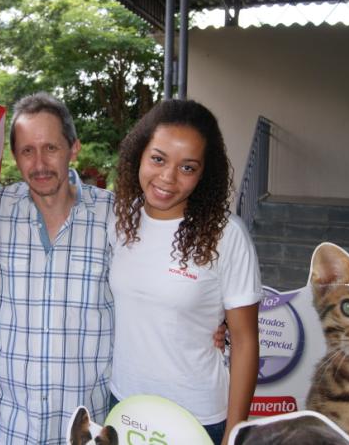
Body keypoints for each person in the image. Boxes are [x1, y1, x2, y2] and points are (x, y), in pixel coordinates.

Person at [0, 93, 226, 444]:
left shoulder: (116, 216)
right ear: (16, 157)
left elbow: (164, 272)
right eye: (27, 151)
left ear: (73, 149)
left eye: (51, 148)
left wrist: (211, 319)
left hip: (84, 425)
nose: (39, 163)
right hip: (15, 427)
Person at [108, 99, 261, 445]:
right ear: (139, 155)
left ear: (204, 173)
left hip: (198, 417)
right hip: (125, 407)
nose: (168, 177)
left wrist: (234, 434)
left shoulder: (226, 235)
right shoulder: (119, 220)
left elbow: (245, 342)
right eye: (158, 159)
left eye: (187, 167)